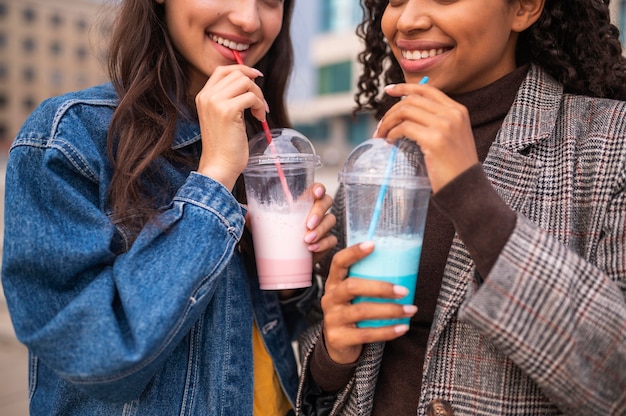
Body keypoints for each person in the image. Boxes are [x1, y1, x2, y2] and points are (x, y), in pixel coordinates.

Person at [1, 0, 337, 415]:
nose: (249, 19)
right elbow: (94, 358)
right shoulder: (69, 138)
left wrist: (291, 281)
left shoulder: (259, 142)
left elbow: (262, 336)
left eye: (270, 0)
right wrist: (213, 179)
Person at [296, 0, 626, 415]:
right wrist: (331, 354)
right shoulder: (385, 152)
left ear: (524, 8)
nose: (408, 20)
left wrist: (470, 194)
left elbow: (616, 376)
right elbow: (333, 349)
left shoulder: (611, 144)